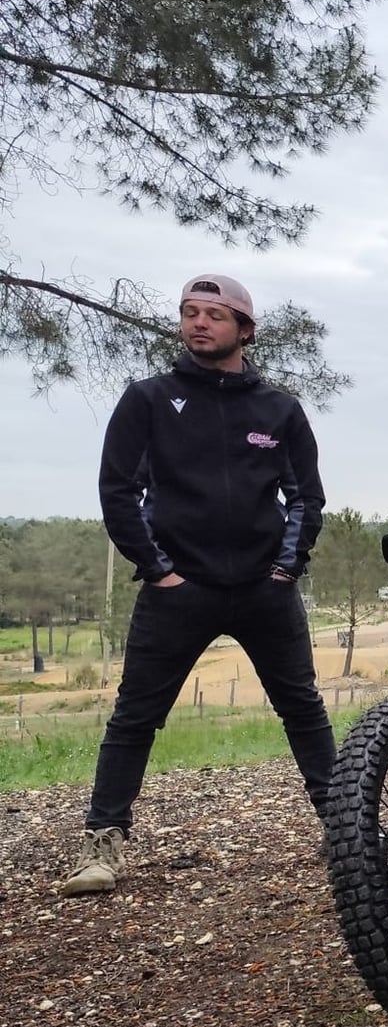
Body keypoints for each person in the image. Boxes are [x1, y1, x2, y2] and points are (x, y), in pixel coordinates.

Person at [60, 275, 334, 897]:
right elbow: (118, 492)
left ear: (245, 330)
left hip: (266, 588)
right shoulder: (148, 399)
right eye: (189, 313)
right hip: (177, 591)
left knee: (303, 708)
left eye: (215, 314)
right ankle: (102, 843)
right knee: (134, 716)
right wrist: (160, 571)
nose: (199, 323)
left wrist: (285, 569)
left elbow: (306, 497)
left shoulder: (279, 408)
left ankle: (344, 825)